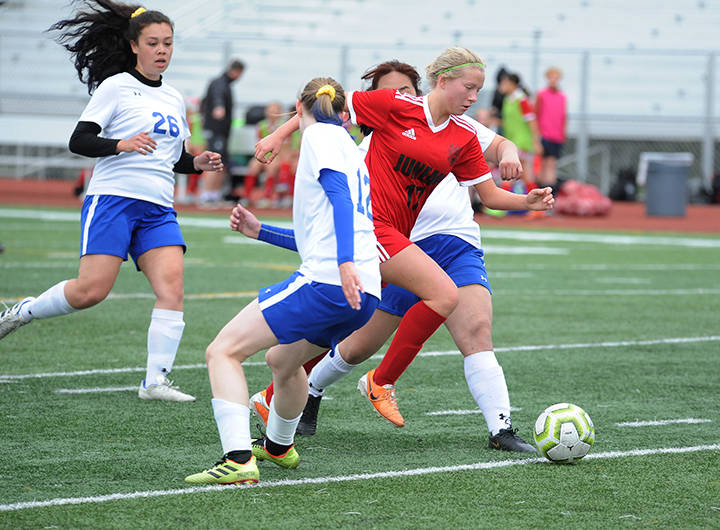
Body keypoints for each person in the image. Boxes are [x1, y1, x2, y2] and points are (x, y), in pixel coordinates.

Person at [254, 48, 553, 441]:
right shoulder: (395, 105)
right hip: (373, 228)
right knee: (441, 296)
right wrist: (278, 134)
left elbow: (491, 197)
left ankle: (280, 393)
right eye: (468, 87)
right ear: (442, 81)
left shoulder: (463, 135)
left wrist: (526, 201)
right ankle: (377, 381)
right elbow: (326, 106)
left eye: (479, 89)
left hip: (403, 238)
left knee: (347, 324)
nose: (474, 97)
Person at [0, 2, 224, 402]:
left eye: (168, 43)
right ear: (134, 45)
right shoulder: (116, 86)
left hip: (158, 208)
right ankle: (22, 311)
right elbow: (79, 140)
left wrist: (198, 163)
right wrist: (121, 144)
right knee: (91, 291)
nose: (162, 50)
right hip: (114, 201)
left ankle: (154, 382)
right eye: (153, 42)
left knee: (172, 288)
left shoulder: (173, 97)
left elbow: (171, 158)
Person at [184, 77, 381, 485]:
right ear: (345, 113)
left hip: (331, 281)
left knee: (222, 351)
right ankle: (278, 446)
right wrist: (262, 232)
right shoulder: (348, 144)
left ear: (299, 107)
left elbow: (341, 201)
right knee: (283, 360)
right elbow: (322, 232)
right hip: (366, 292)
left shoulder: (319, 139)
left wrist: (343, 264)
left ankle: (237, 460)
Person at [199, 59, 245, 206]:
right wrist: (218, 107)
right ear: (236, 71)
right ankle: (207, 195)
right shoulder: (220, 83)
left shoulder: (224, 84)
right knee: (214, 161)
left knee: (221, 163)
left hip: (221, 132)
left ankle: (214, 194)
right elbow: (217, 96)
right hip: (216, 130)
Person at [240, 101, 297, 208]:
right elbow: (259, 143)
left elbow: (286, 147)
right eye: (270, 110)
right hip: (265, 154)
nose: (272, 113)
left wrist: (273, 157)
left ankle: (268, 197)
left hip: (278, 155)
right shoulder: (262, 125)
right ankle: (247, 197)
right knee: (253, 166)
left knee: (271, 167)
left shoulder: (284, 126)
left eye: (275, 110)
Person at [498, 72, 543, 190]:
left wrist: (536, 142)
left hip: (521, 142)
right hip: (512, 140)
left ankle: (501, 203)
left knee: (510, 172)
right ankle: (537, 205)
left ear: (512, 84)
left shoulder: (522, 100)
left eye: (504, 82)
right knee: (526, 174)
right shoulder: (508, 100)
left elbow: (532, 121)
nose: (501, 85)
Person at [535, 66, 567, 191]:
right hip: (544, 135)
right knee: (543, 165)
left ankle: (550, 194)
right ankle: (542, 192)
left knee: (552, 165)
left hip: (557, 136)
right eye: (551, 77)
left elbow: (563, 116)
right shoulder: (542, 94)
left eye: (556, 77)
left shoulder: (562, 97)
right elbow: (536, 114)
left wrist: (563, 135)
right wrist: (537, 135)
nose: (554, 80)